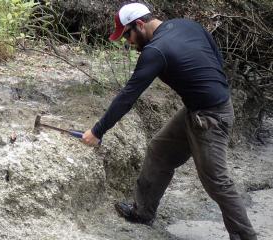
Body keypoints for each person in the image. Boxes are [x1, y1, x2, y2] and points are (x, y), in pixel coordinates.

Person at [81, 2, 257, 240]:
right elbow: (216, 55)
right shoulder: (186, 25)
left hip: (211, 118)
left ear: (140, 25)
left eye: (128, 35)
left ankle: (245, 236)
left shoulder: (155, 51)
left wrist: (97, 131)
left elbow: (127, 97)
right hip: (197, 109)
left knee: (217, 181)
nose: (128, 43)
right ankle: (143, 212)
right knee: (159, 152)